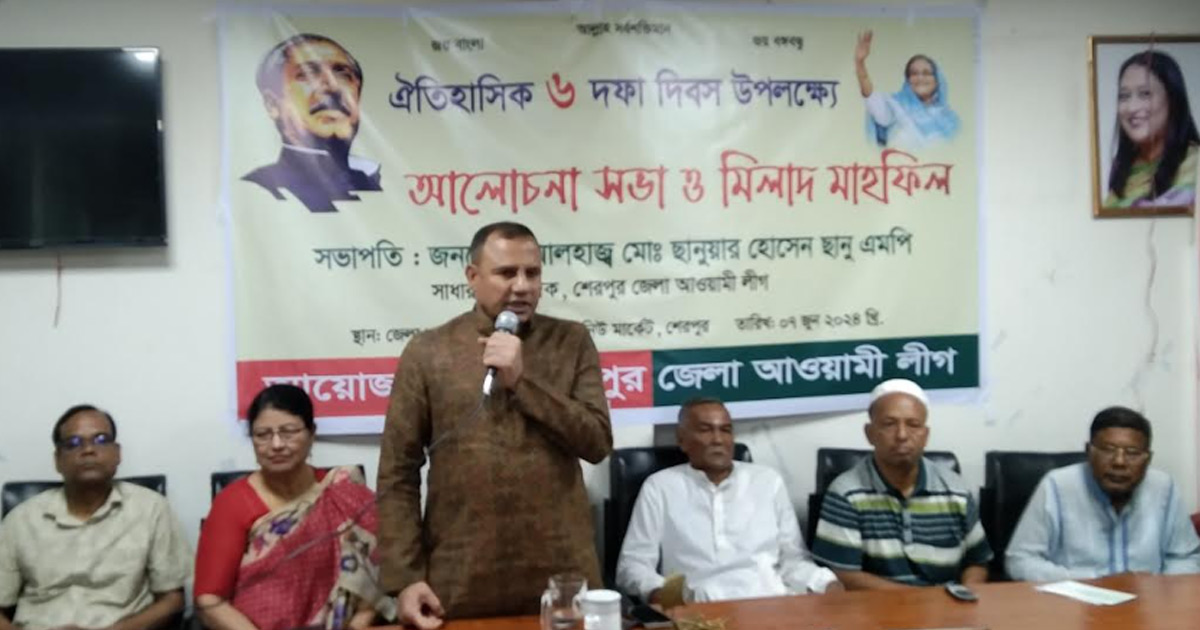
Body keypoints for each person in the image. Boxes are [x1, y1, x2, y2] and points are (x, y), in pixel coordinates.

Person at [378, 221, 612, 626]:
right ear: (473, 277)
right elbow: (397, 473)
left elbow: (596, 442)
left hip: (561, 573)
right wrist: (405, 578)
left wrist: (522, 381)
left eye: (532, 273)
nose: (522, 286)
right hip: (461, 574)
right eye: (506, 273)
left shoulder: (570, 341)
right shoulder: (428, 351)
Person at [195, 384, 387, 630]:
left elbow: (379, 574)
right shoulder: (232, 503)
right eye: (262, 435)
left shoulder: (342, 491)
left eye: (288, 432)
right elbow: (210, 600)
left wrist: (359, 622)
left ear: (312, 433)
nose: (276, 444)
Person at [617, 397, 841, 603]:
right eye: (705, 430)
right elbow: (633, 566)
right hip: (700, 610)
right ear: (682, 440)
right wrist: (667, 595)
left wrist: (826, 583)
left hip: (769, 605)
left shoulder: (767, 481)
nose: (718, 439)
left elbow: (793, 561)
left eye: (725, 430)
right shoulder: (660, 487)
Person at [0, 405, 190, 630]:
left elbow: (172, 599)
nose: (88, 450)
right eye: (73, 443)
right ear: (57, 460)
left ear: (117, 453)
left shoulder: (150, 509)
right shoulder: (21, 520)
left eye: (101, 440)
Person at [812, 379, 991, 589]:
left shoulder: (955, 490)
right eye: (889, 424)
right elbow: (844, 574)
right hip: (874, 606)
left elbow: (977, 560)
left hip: (947, 604)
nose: (902, 435)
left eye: (913, 425)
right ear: (869, 433)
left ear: (925, 435)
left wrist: (967, 591)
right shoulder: (846, 492)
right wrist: (918, 602)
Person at [1006, 406, 1200, 580]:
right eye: (1108, 450)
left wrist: (1160, 587)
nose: (1119, 462)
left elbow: (1186, 557)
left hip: (1148, 602)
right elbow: (1020, 560)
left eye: (1132, 452)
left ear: (1148, 459)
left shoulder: (1164, 488)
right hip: (1074, 602)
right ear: (1088, 451)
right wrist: (1095, 581)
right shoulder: (1057, 486)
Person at [242, 33, 382, 213]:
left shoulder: (372, 181)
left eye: (343, 74)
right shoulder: (259, 188)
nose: (333, 87)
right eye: (308, 74)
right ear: (272, 105)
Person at [1103, 50, 1200, 209]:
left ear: (1173, 99)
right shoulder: (1121, 169)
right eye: (1124, 96)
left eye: (1145, 94)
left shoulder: (1195, 164)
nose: (1132, 108)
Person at [854, 30, 960, 150]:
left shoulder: (950, 119)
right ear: (908, 80)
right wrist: (860, 63)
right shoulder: (895, 106)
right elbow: (870, 96)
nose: (920, 78)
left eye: (926, 73)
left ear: (937, 80)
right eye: (914, 73)